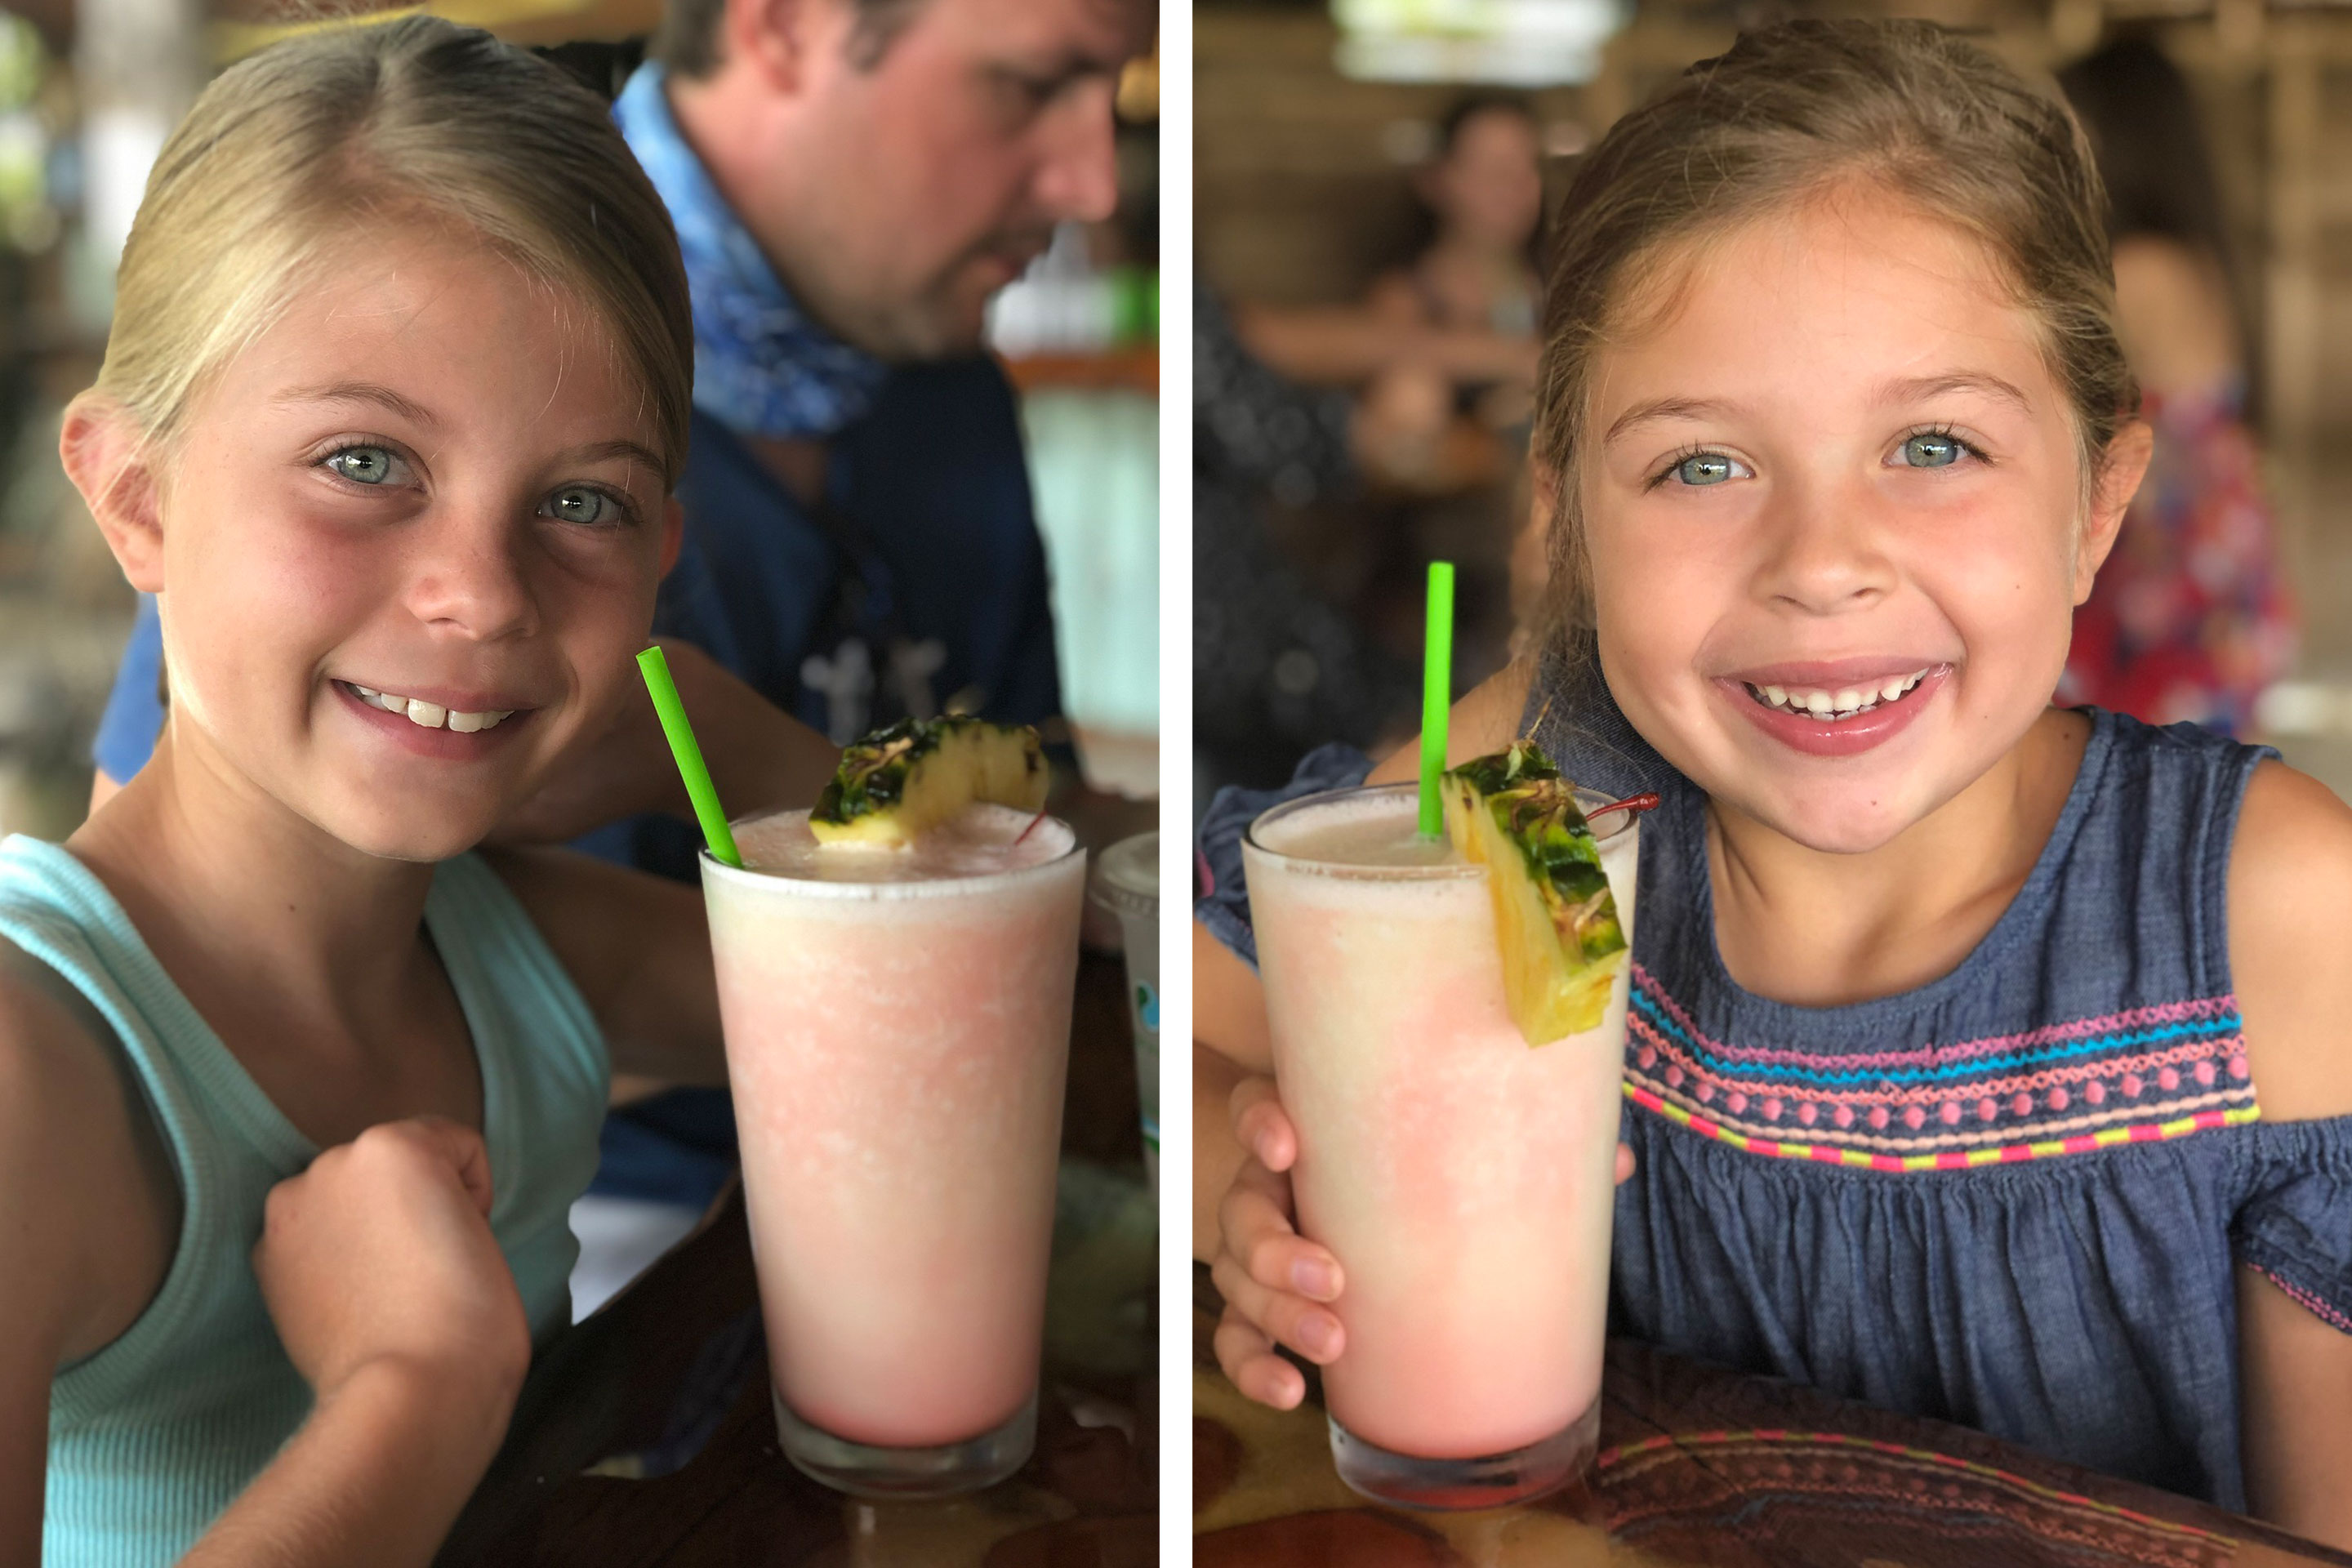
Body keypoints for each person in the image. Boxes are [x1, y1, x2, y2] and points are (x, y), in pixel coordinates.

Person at [1198, 20, 2352, 1546]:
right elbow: (1203, 987)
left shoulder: (2270, 922)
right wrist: (1245, 1179)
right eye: (1701, 465)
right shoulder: (1547, 792)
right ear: (1571, 527)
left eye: (1934, 443)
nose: (1820, 566)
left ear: (2096, 504)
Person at [0, 20, 731, 1561]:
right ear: (138, 497)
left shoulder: (517, 957)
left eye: (583, 499)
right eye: (364, 462)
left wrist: (737, 748)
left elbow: (1011, 957)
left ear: (658, 558)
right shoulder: (33, 1076)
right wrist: (416, 1385)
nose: (482, 592)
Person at [2056, 35, 2294, 736]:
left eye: (2074, 130)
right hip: (2208, 575)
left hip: (2167, 585)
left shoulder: (2140, 267)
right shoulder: (2191, 257)